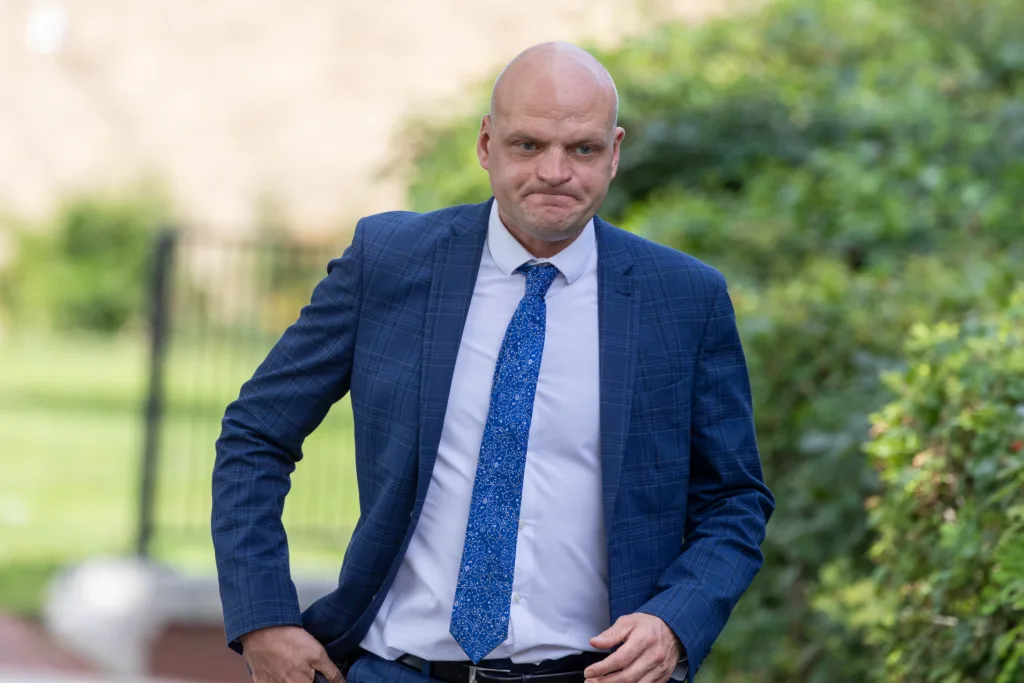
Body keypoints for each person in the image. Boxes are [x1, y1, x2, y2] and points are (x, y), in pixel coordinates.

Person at [212, 41, 774, 683]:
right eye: (528, 145)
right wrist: (262, 617)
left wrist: (675, 619)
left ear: (615, 153)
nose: (555, 171)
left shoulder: (682, 299)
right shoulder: (390, 263)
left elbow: (734, 499)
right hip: (398, 670)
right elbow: (256, 434)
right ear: (486, 145)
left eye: (583, 149)